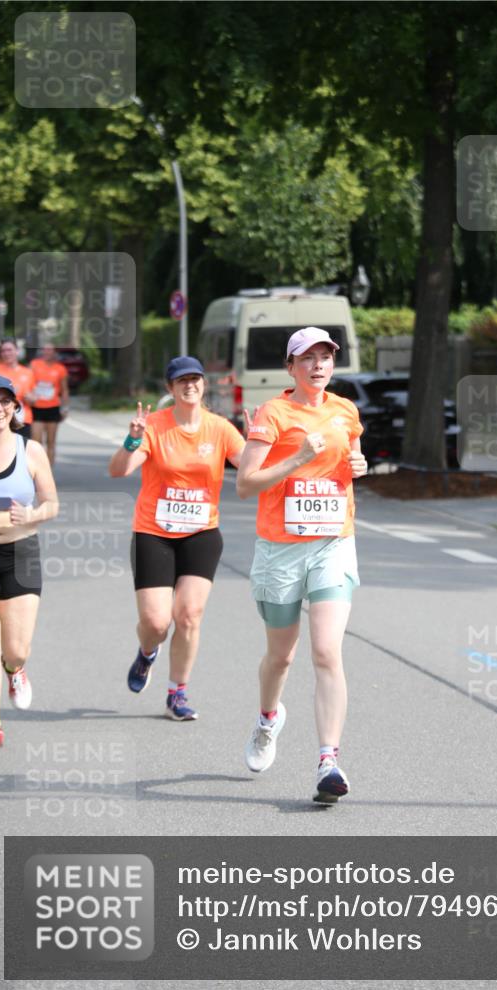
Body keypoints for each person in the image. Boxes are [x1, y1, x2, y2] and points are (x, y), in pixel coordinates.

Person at [236, 327, 367, 803]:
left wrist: (359, 466)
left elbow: (351, 457)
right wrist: (296, 457)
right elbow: (246, 485)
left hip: (333, 543)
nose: (318, 365)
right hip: (280, 550)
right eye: (307, 357)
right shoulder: (274, 413)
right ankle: (268, 718)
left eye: (325, 356)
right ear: (290, 367)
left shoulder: (345, 410)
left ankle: (328, 761)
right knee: (282, 656)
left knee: (327, 652)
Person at [109, 356, 245, 721]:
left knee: (188, 615)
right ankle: (147, 652)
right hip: (154, 533)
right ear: (170, 389)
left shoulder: (220, 429)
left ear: (203, 385)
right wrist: (132, 439)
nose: (190, 385)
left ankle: (177, 693)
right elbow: (119, 470)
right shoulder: (153, 426)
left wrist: (265, 441)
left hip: (201, 533)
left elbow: (251, 468)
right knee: (156, 623)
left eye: (196, 379)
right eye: (181, 380)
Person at [0, 374, 58, 754]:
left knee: (15, 649)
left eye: (4, 401)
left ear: (15, 408)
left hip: (20, 553)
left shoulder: (30, 451)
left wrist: (30, 516)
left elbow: (52, 504)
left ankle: (14, 670)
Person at [30, 343, 69, 466]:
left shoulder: (60, 369)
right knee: (36, 442)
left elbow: (64, 389)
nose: (47, 352)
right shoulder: (34, 365)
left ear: (54, 353)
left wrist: (65, 408)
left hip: (53, 407)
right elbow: (28, 383)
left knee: (51, 442)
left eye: (49, 350)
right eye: (44, 350)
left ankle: (48, 473)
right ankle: (36, 471)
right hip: (37, 407)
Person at [0, 339, 35, 439]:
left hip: (22, 421)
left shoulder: (28, 373)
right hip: (0, 419)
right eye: (3, 351)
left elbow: (33, 398)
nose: (6, 353)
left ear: (17, 351)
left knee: (22, 452)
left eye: (9, 350)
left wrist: (31, 398)